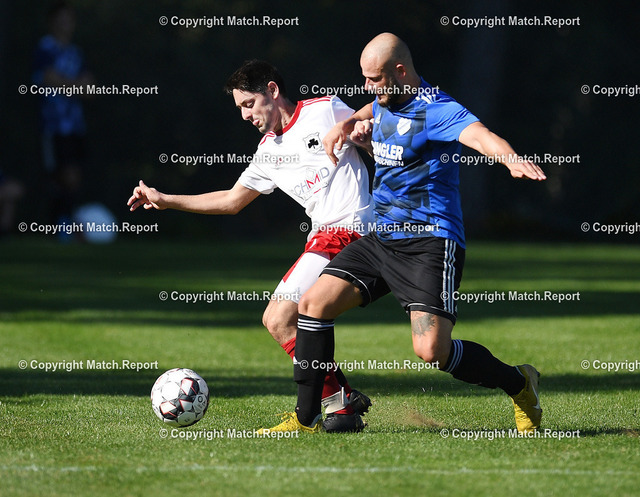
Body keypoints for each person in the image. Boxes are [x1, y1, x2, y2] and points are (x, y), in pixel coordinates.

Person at [258, 33, 546, 435]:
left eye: (374, 78)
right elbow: (369, 109)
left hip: (430, 243)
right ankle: (307, 418)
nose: (368, 87)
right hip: (381, 240)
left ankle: (519, 383)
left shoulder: (438, 109)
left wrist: (511, 159)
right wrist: (347, 125)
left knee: (431, 351)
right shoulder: (384, 100)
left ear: (400, 71)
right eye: (365, 78)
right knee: (311, 305)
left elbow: (480, 135)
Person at [127, 59, 374, 432]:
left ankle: (324, 407)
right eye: (240, 108)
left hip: (351, 229)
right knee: (289, 320)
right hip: (324, 237)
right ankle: (340, 403)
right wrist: (166, 200)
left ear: (272, 91)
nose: (245, 115)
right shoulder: (268, 151)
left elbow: (376, 126)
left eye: (249, 104)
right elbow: (231, 201)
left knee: (279, 318)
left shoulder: (325, 110)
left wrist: (368, 137)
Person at [32, 1, 95, 227]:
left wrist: (66, 84)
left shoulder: (76, 52)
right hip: (53, 125)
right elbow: (48, 79)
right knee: (59, 176)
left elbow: (91, 90)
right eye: (60, 19)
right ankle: (57, 225)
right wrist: (76, 85)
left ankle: (65, 225)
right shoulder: (45, 48)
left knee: (74, 176)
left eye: (68, 19)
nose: (65, 24)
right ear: (52, 22)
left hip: (75, 125)